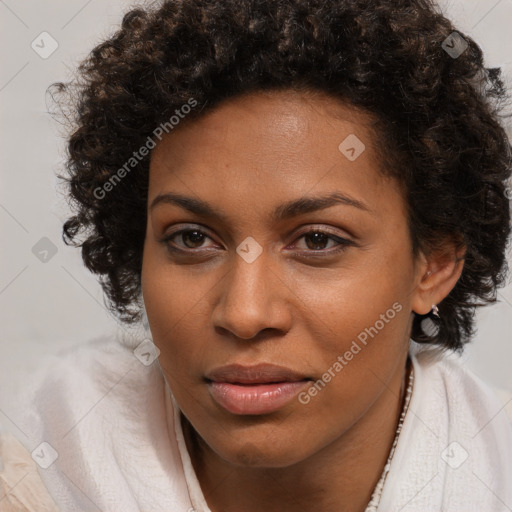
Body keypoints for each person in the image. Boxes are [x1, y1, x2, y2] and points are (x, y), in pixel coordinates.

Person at [1, 0, 511, 510]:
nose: (244, 314)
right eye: (192, 238)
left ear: (435, 263)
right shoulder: (37, 470)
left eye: (318, 240)